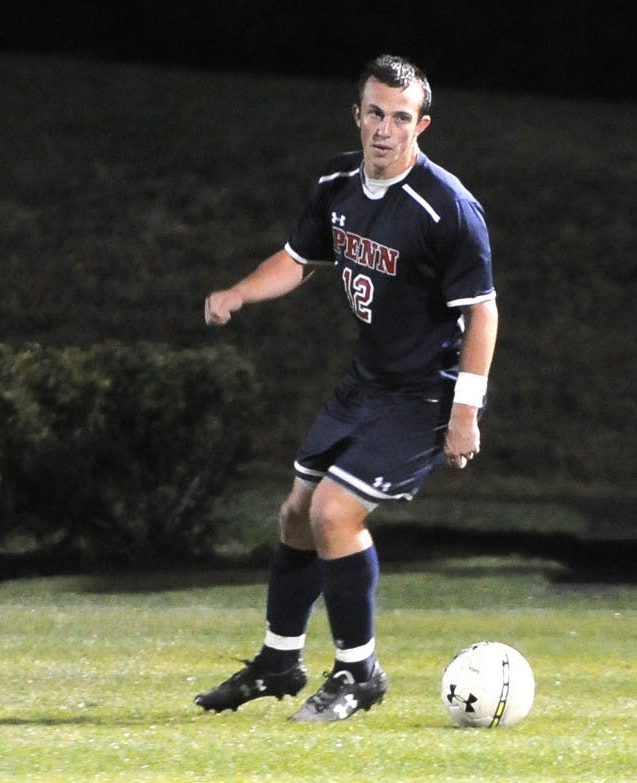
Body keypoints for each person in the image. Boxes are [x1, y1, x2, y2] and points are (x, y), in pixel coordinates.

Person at [197, 53, 498, 722]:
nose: (384, 130)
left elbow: (483, 310)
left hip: (425, 393)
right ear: (357, 116)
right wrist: (239, 293)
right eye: (374, 114)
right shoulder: (336, 182)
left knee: (335, 513)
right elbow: (297, 260)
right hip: (367, 383)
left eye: (399, 118)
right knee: (296, 514)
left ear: (421, 125)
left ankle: (359, 672)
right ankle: (280, 659)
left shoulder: (446, 207)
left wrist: (466, 411)